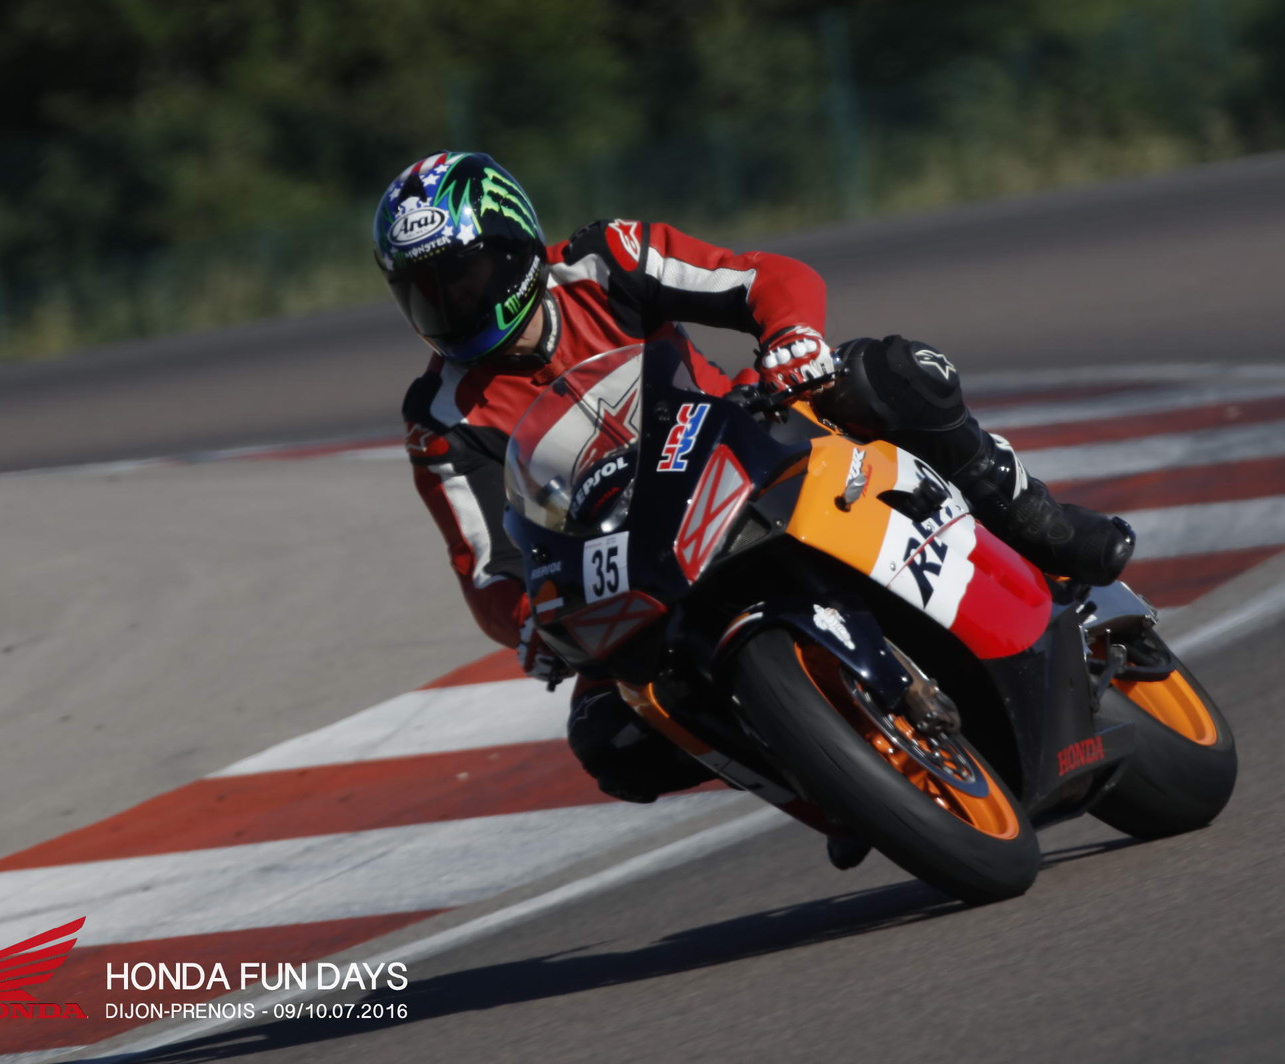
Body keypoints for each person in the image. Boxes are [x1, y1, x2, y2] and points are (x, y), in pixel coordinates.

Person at [379, 152, 1134, 866]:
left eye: (465, 277)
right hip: (638, 556)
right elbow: (488, 569)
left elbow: (761, 277)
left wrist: (790, 338)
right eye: (426, 292)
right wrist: (532, 622)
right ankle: (838, 779)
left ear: (516, 248)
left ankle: (1036, 520)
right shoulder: (439, 418)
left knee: (888, 374)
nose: (452, 304)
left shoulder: (604, 261)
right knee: (609, 736)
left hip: (751, 443)